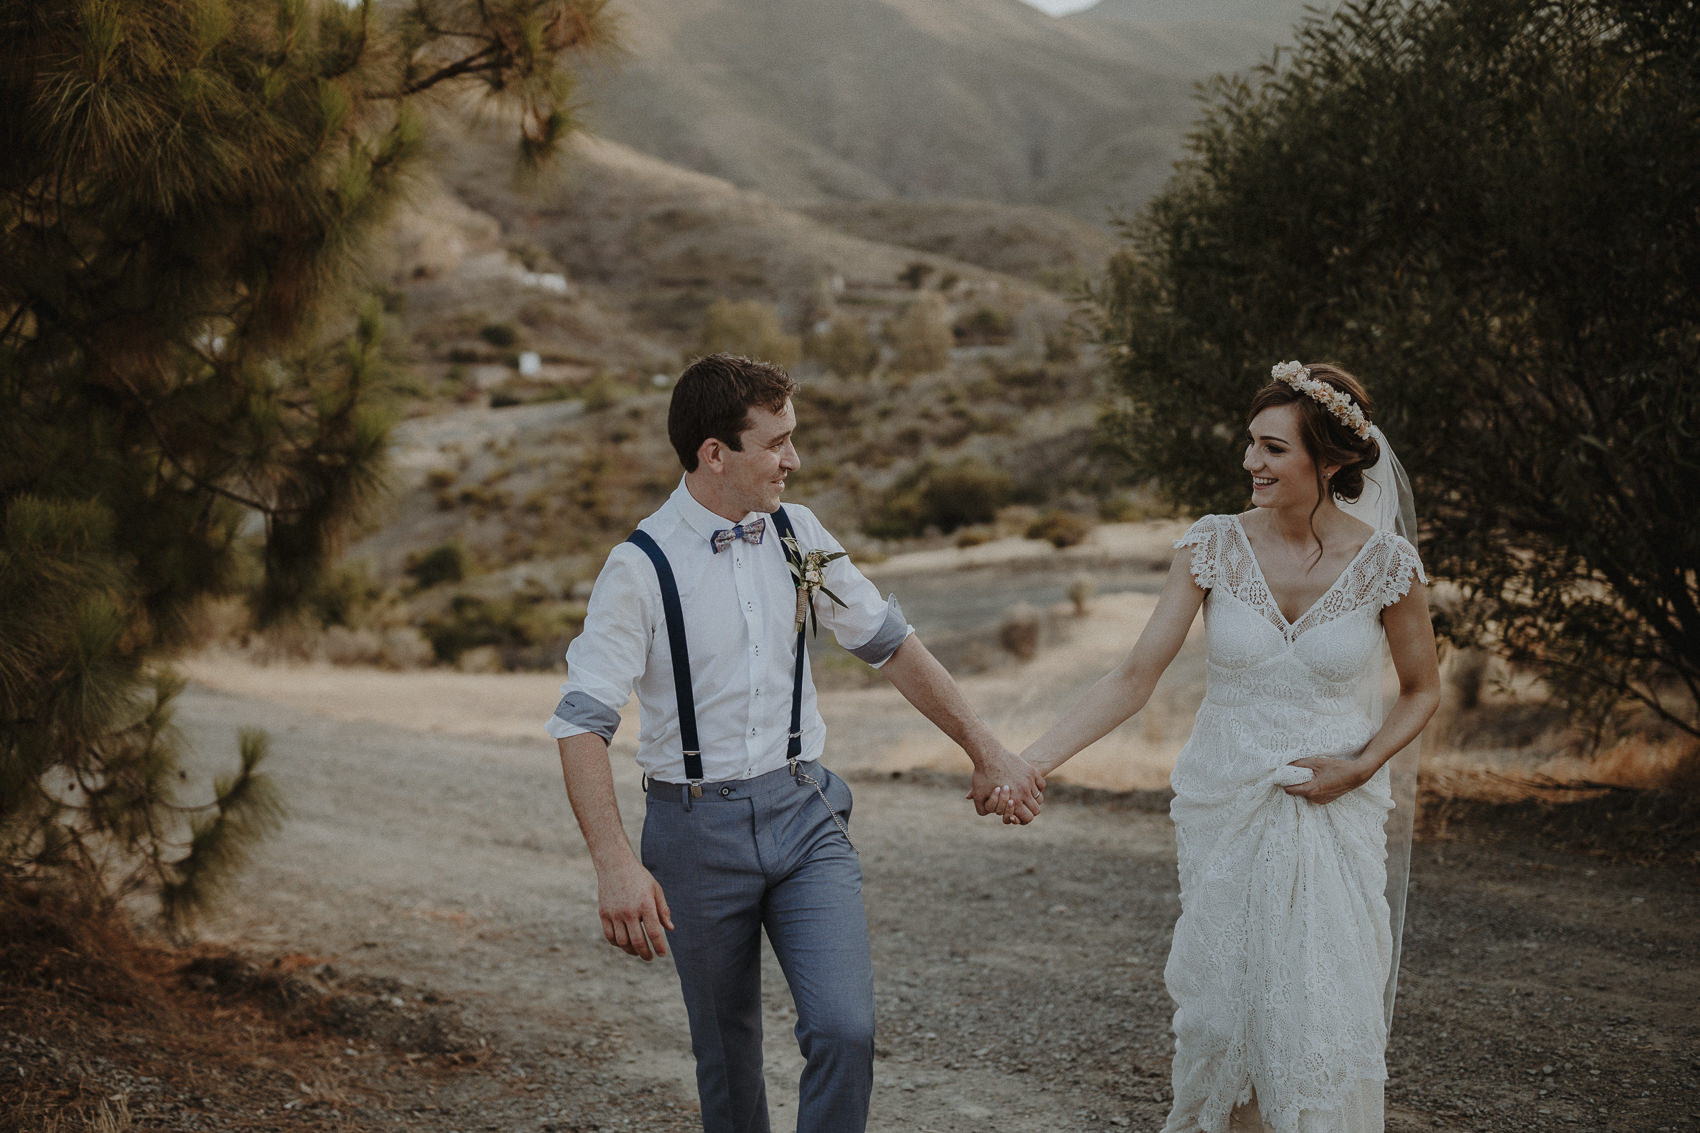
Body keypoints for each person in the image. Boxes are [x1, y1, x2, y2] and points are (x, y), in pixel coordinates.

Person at [547, 353, 1045, 1133]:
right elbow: (582, 720)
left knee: (846, 1027)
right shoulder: (637, 568)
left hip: (805, 811)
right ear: (715, 453)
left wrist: (986, 748)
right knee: (728, 1055)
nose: (794, 458)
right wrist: (614, 861)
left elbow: (890, 643)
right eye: (776, 442)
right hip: (693, 831)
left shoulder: (798, 531)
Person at [1018, 362, 1440, 1132]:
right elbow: (1134, 675)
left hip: (1333, 822)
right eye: (1251, 444)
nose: (1251, 462)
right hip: (1228, 818)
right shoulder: (1212, 547)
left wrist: (1362, 763)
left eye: (1274, 449)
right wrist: (1029, 762)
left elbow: (1422, 688)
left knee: (1317, 1021)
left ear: (1333, 461)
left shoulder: (1386, 565)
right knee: (1225, 1024)